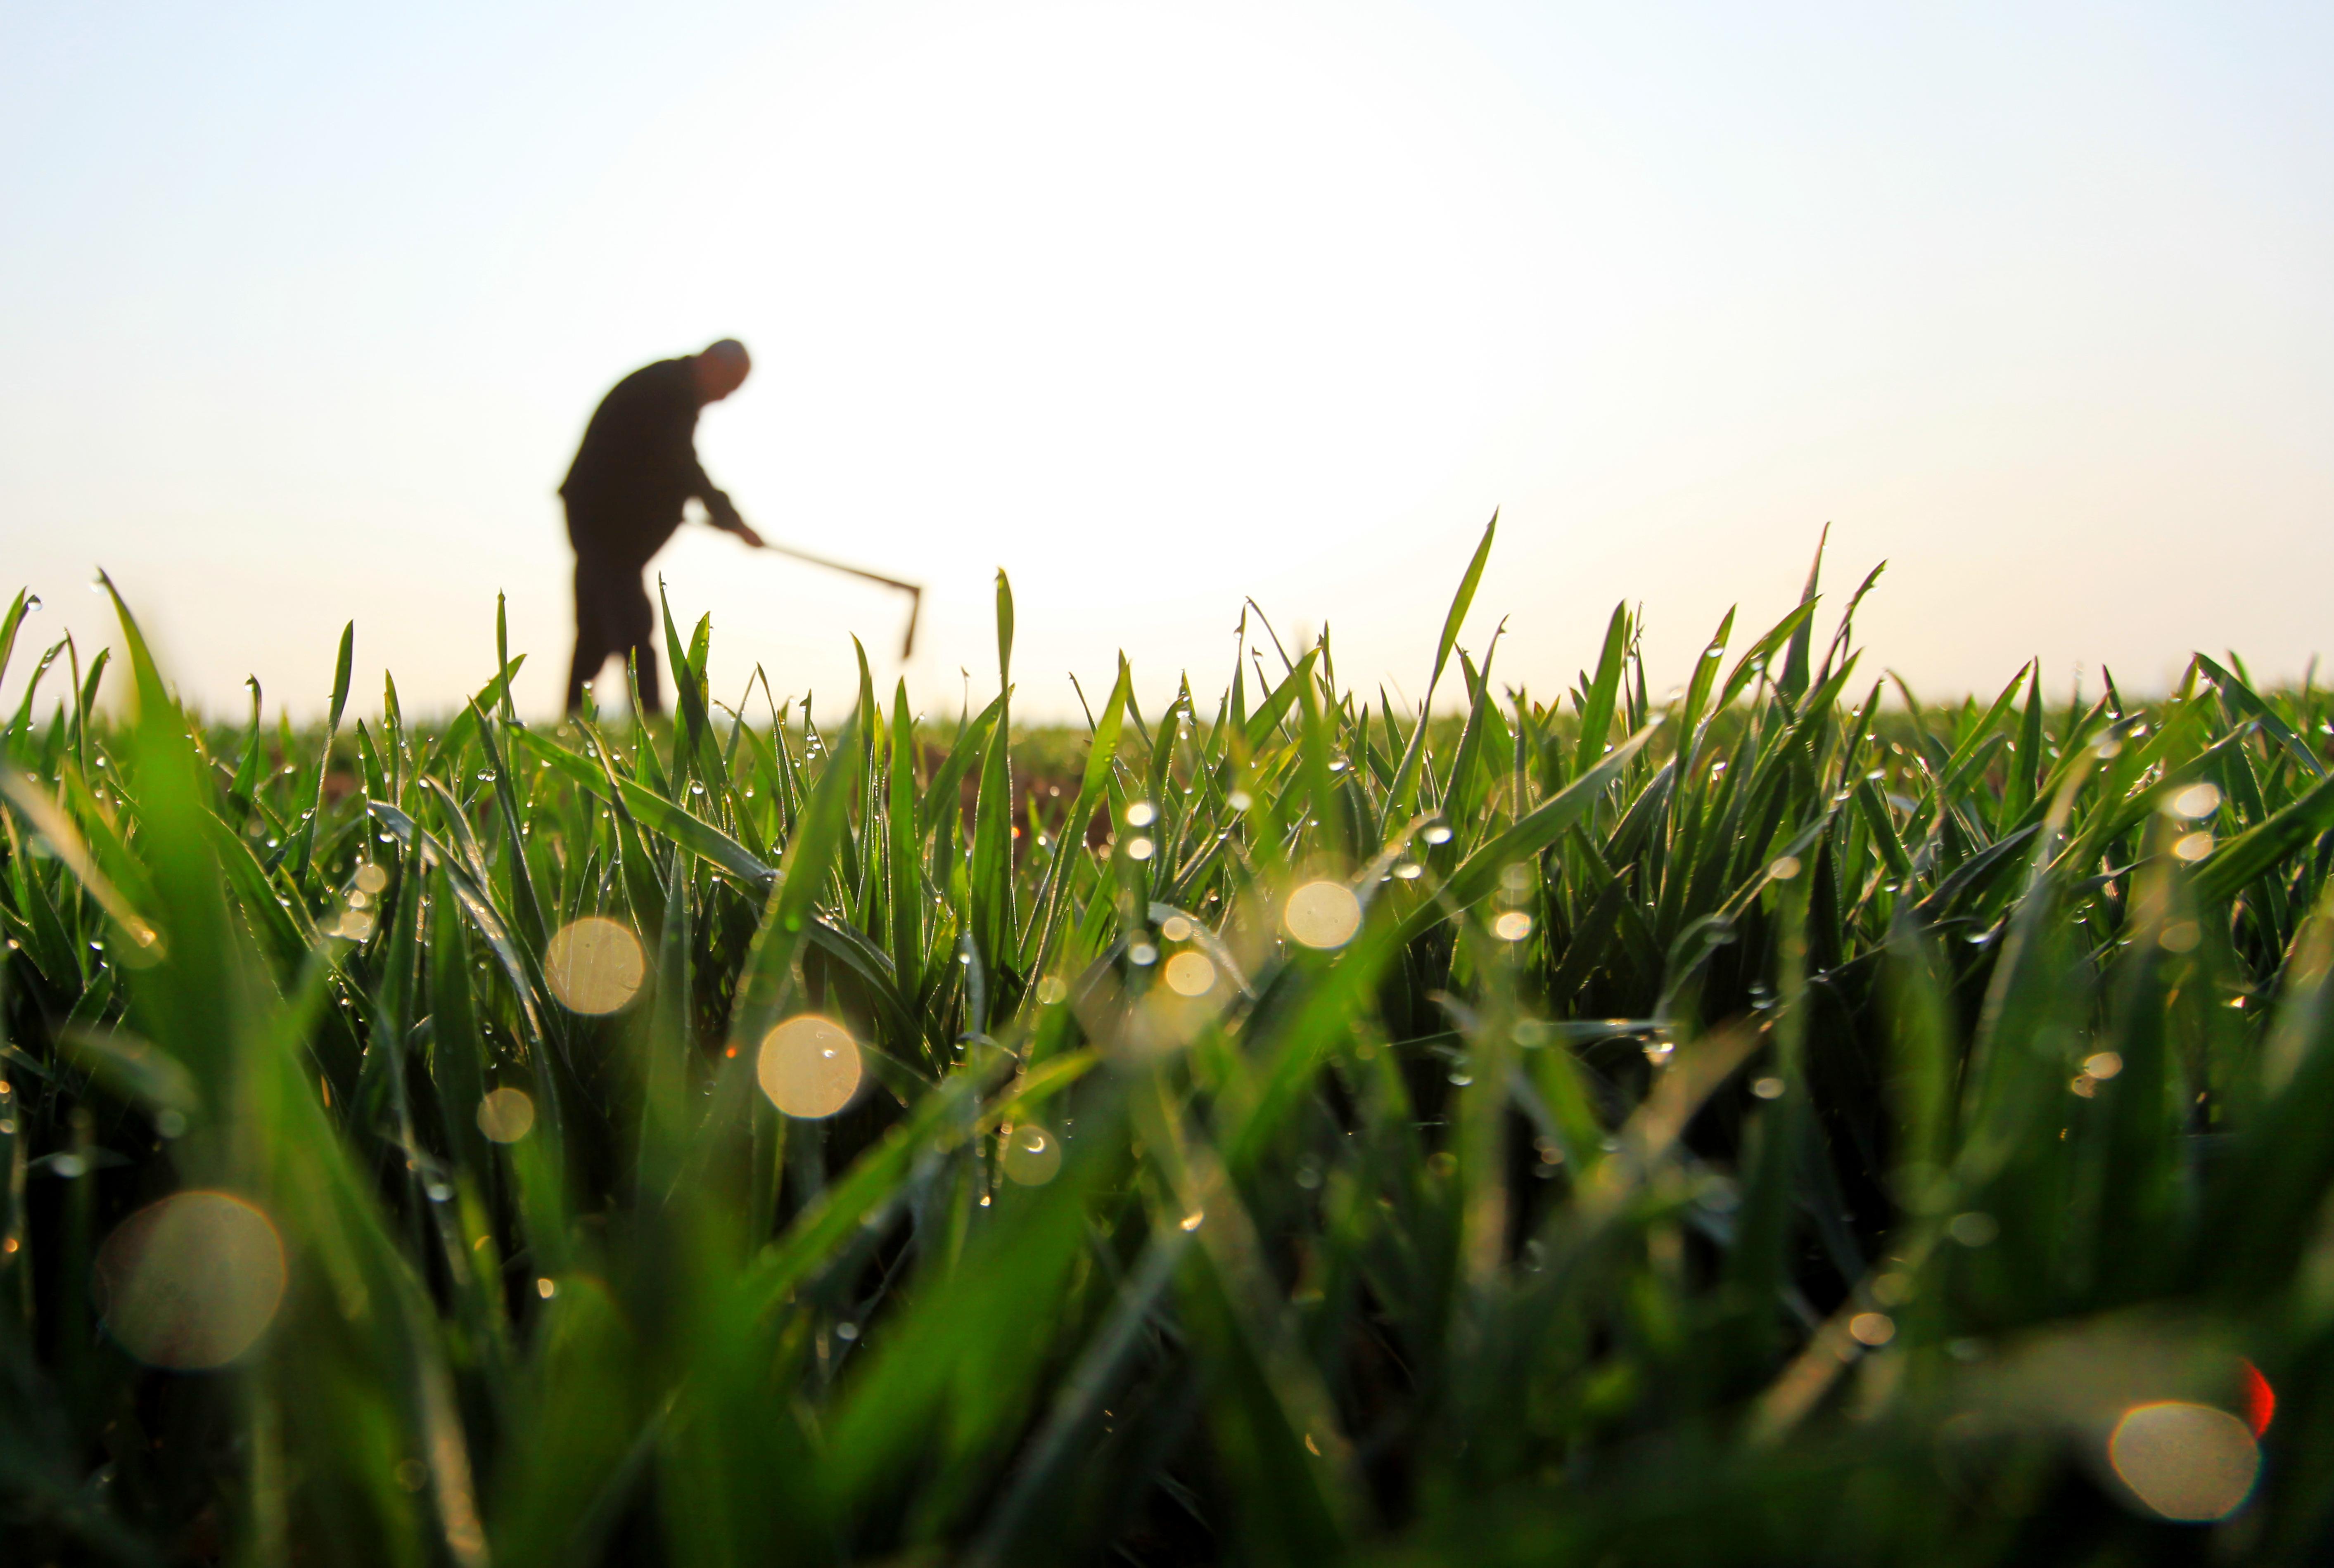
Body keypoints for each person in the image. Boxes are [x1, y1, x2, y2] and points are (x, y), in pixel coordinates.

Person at [558, 339, 765, 715]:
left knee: (597, 626)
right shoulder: (668, 391)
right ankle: (650, 717)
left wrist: (724, 517)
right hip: (607, 525)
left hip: (604, 522)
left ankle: (574, 714)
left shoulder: (670, 388)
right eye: (728, 383)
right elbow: (681, 464)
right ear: (710, 362)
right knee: (631, 623)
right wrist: (731, 519)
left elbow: (669, 466)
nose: (725, 395)